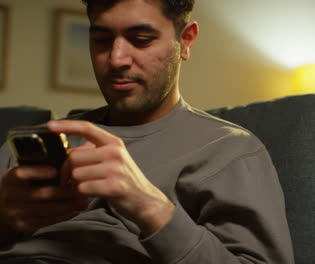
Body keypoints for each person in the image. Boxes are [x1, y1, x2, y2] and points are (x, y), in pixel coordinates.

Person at [0, 0, 294, 263]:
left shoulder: (230, 150)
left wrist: (148, 206)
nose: (116, 59)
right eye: (101, 40)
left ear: (186, 40)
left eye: (140, 40)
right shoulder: (39, 142)